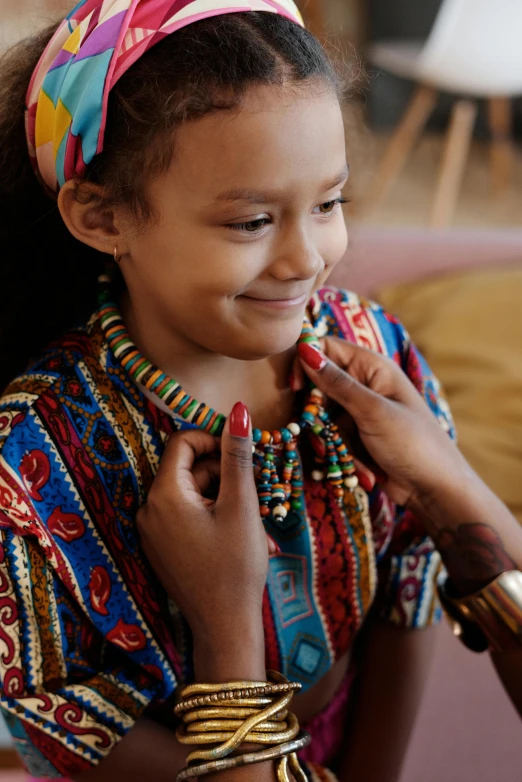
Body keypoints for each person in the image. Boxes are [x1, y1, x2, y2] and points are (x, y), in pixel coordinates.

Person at [0, 1, 520, 781]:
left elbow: (408, 589)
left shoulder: (375, 350)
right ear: (102, 215)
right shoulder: (31, 458)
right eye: (250, 222)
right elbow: (60, 718)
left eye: (330, 203)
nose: (307, 259)